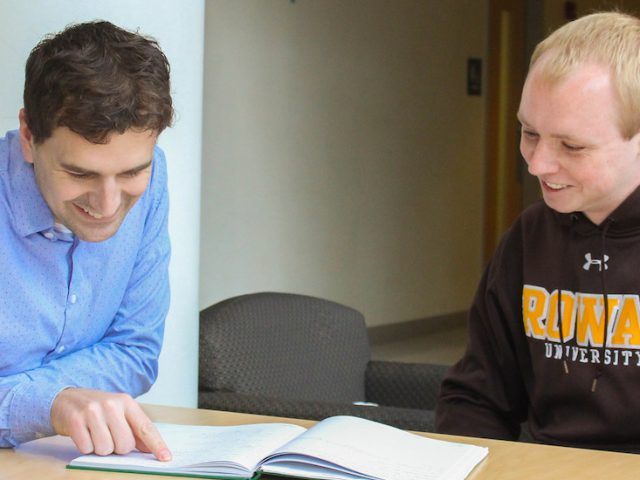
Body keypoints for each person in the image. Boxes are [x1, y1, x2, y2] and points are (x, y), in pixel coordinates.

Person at [436, 11, 640, 452]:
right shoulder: (529, 236)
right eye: (529, 132)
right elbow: (476, 397)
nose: (537, 164)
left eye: (572, 146)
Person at [0, 20, 174, 460]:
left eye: (132, 171)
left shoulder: (154, 181)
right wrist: (49, 402)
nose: (109, 203)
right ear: (28, 136)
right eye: (80, 173)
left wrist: (28, 395)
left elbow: (135, 351)